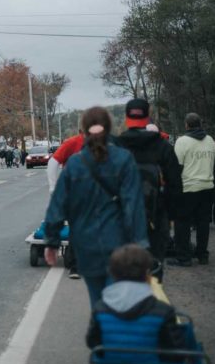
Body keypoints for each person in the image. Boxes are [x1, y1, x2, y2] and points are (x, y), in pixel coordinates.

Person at [43, 106, 148, 307]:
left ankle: (100, 330)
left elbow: (58, 205)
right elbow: (133, 205)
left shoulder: (74, 164)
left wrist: (52, 242)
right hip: (118, 243)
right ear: (109, 128)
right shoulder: (124, 159)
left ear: (83, 129)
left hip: (85, 244)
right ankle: (110, 332)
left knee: (97, 300)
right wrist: (141, 245)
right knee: (117, 300)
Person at [118, 99, 182, 282]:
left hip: (123, 220)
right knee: (153, 271)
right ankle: (151, 301)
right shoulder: (163, 147)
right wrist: (170, 218)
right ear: (147, 118)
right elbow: (176, 186)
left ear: (127, 118)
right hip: (155, 219)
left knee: (124, 272)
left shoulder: (117, 146)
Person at [86, 245, 184, 358]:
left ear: (112, 273)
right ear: (148, 275)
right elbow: (174, 350)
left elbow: (93, 342)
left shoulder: (100, 309)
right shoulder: (164, 311)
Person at [170, 113, 215, 266]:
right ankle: (202, 255)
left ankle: (184, 257)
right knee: (203, 223)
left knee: (182, 222)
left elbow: (177, 166)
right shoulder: (210, 140)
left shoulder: (182, 141)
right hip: (207, 186)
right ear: (200, 124)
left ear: (186, 125)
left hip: (189, 187)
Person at [46, 131, 86, 279]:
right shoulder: (73, 142)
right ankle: (75, 266)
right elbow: (53, 162)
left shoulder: (106, 143)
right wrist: (53, 186)